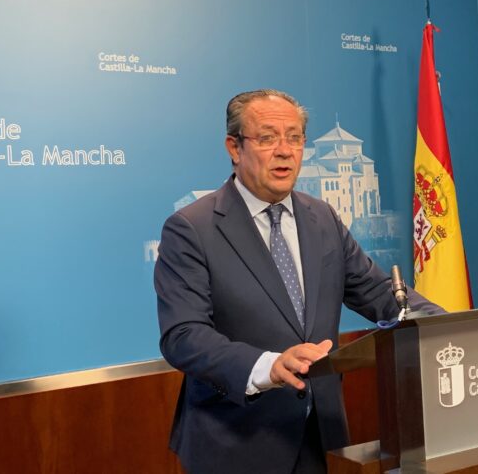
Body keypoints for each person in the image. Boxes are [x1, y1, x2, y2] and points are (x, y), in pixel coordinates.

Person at [155, 89, 443, 474]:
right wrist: (269, 366)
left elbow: (378, 292)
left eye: (294, 138)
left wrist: (448, 327)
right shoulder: (192, 228)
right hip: (237, 443)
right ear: (234, 148)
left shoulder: (321, 217)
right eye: (267, 138)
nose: (284, 151)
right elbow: (183, 335)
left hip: (321, 438)